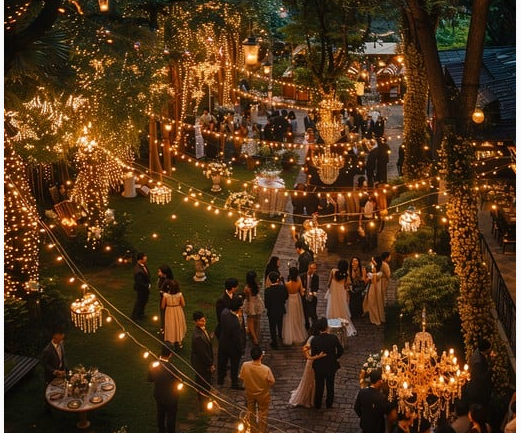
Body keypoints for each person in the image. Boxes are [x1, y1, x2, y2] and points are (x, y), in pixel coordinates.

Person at [289, 322, 326, 408]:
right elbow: (306, 352)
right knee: (311, 380)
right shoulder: (313, 339)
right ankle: (310, 397)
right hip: (312, 361)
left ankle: (313, 396)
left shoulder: (313, 338)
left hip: (313, 361)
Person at [239, 347, 275, 433]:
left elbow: (241, 377)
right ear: (261, 356)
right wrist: (265, 386)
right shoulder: (266, 369)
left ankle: (253, 430)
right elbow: (272, 381)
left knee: (251, 412)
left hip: (249, 393)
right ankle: (262, 430)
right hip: (263, 394)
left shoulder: (245, 365)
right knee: (263, 413)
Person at [310, 317, 344, 409]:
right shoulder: (333, 338)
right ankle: (329, 403)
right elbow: (340, 350)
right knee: (330, 385)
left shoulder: (315, 340)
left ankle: (318, 404)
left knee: (319, 385)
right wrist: (335, 357)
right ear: (327, 327)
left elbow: (313, 354)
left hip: (319, 366)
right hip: (331, 365)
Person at [147, 345, 180, 433]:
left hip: (159, 395)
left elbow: (149, 379)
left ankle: (161, 430)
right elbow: (179, 382)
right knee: (171, 419)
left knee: (160, 415)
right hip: (171, 397)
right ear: (170, 354)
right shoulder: (172, 369)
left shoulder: (154, 365)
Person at [217, 297, 245, 389]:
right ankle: (234, 383)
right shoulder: (235, 322)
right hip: (233, 348)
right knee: (234, 365)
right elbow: (237, 339)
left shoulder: (224, 312)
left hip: (223, 343)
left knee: (222, 362)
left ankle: (220, 379)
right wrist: (241, 349)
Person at [190, 311, 214, 411]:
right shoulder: (198, 337)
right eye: (200, 321)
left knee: (206, 384)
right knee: (202, 385)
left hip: (204, 362)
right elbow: (203, 353)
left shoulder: (203, 330)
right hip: (201, 365)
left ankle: (205, 401)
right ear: (196, 322)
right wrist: (210, 364)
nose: (203, 322)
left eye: (203, 319)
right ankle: (203, 406)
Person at [42, 324, 67, 412]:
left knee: (61, 388)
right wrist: (55, 371)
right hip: (51, 375)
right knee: (49, 392)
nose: (63, 336)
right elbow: (45, 365)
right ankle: (47, 408)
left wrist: (64, 369)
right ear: (55, 336)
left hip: (61, 371)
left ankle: (61, 404)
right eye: (61, 335)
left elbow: (63, 357)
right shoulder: (47, 350)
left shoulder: (61, 343)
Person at [282, 267, 307, 346]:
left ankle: (290, 334)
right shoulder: (299, 282)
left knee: (289, 316)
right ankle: (297, 331)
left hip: (290, 300)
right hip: (296, 299)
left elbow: (285, 292)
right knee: (297, 316)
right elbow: (302, 293)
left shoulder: (287, 284)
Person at [466, 339, 494, 410]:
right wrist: (491, 367)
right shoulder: (478, 362)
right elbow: (481, 377)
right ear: (486, 350)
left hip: (476, 390)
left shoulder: (478, 352)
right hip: (478, 392)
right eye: (490, 348)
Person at [264, 271, 288, 350]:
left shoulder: (267, 291)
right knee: (280, 323)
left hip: (272, 311)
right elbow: (286, 297)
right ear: (278, 279)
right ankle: (280, 336)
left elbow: (266, 304)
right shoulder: (282, 288)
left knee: (272, 327)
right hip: (280, 309)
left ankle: (274, 341)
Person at [161, 279, 186, 351]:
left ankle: (171, 341)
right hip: (178, 310)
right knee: (178, 325)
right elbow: (183, 304)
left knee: (170, 325)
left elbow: (162, 306)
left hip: (169, 311)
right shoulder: (179, 295)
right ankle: (179, 341)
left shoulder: (165, 295)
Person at [243, 270, 265, 346]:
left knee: (250, 322)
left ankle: (254, 338)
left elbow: (247, 298)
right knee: (257, 320)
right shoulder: (257, 286)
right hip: (257, 303)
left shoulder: (247, 288)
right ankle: (257, 334)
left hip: (251, 305)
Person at [363, 257, 385, 325]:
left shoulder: (380, 272)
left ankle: (376, 318)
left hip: (376, 289)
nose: (371, 263)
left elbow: (375, 277)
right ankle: (373, 316)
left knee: (374, 302)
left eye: (373, 262)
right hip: (371, 288)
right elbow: (366, 280)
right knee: (371, 302)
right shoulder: (372, 271)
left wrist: (373, 273)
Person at [300, 261, 319, 331]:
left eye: (314, 269)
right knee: (305, 314)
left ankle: (315, 328)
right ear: (308, 267)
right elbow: (300, 287)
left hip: (312, 299)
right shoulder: (302, 276)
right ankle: (307, 327)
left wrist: (314, 292)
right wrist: (303, 290)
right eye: (311, 268)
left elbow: (316, 287)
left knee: (314, 315)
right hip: (304, 298)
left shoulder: (316, 277)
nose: (313, 270)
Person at [131, 252, 151, 320]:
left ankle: (141, 314)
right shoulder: (138, 270)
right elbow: (140, 282)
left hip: (145, 287)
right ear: (140, 260)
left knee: (144, 301)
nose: (146, 260)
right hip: (141, 289)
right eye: (144, 259)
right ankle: (135, 315)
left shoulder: (143, 265)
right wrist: (147, 286)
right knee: (140, 301)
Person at [157, 265, 174, 334]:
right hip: (162, 299)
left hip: (167, 301)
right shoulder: (161, 279)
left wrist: (163, 293)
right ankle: (163, 326)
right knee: (163, 314)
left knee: (166, 314)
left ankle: (167, 328)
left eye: (160, 271)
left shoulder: (168, 282)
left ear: (165, 273)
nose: (158, 273)